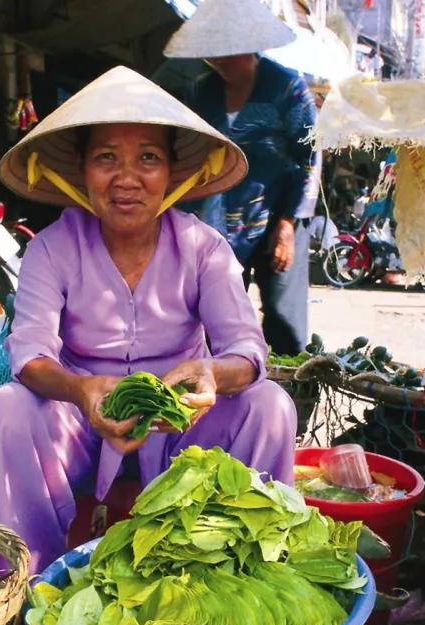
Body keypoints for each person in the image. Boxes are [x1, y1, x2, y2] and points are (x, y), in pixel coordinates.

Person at [0, 66, 298, 572]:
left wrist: (213, 375)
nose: (127, 177)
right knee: (10, 407)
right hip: (80, 426)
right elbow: (30, 355)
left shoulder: (202, 247)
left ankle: (247, 570)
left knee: (270, 406)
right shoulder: (51, 248)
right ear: (82, 171)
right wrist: (81, 390)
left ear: (171, 172)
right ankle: (27, 584)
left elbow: (246, 349)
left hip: (183, 425)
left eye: (147, 158)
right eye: (106, 157)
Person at [164, 0, 320, 357]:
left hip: (279, 215)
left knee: (283, 317)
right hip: (217, 219)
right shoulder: (202, 91)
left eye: (227, 53)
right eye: (212, 54)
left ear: (249, 46)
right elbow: (190, 150)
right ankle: (224, 396)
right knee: (217, 317)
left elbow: (309, 156)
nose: (219, 62)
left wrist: (287, 225)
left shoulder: (286, 87)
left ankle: (294, 400)